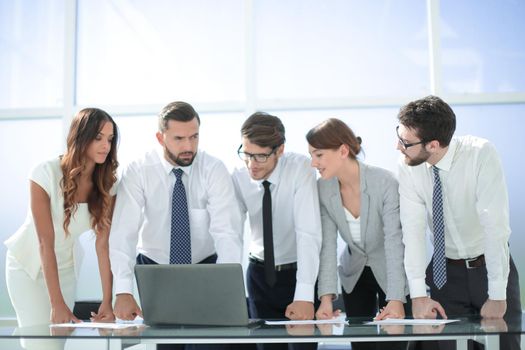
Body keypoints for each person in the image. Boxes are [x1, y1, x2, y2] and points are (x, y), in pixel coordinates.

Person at [109, 101, 242, 349]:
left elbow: (227, 232)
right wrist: (123, 291)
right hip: (156, 268)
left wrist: (225, 287)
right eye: (179, 138)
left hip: (205, 267)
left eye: (194, 137)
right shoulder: (139, 171)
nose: (188, 146)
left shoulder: (213, 169)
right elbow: (123, 233)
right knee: (168, 345)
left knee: (208, 345)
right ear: (160, 138)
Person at [396, 95, 521, 350]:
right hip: (445, 275)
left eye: (405, 142)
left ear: (432, 145)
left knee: (504, 346)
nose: (398, 147)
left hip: (490, 268)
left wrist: (497, 294)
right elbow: (413, 232)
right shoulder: (409, 165)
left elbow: (495, 226)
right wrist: (419, 295)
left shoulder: (480, 154)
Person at [5, 108, 118, 349]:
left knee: (55, 345)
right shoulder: (44, 172)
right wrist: (56, 303)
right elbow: (45, 242)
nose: (105, 145)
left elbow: (103, 245)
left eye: (110, 139)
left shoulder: (109, 183)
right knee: (38, 344)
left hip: (65, 268)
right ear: (81, 136)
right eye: (98, 137)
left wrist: (107, 301)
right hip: (27, 266)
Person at [307, 118, 409, 350]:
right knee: (361, 345)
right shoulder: (323, 188)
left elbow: (395, 242)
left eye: (319, 155)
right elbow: (328, 246)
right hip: (354, 274)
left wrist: (395, 298)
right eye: (311, 155)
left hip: (391, 272)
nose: (313, 163)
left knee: (394, 344)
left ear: (343, 150)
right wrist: (325, 298)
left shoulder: (384, 182)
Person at [232, 112, 322, 350]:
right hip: (259, 277)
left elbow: (308, 233)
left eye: (260, 157)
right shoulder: (238, 176)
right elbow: (230, 234)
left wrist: (303, 296)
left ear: (279, 150)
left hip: (298, 275)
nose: (252, 165)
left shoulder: (300, 168)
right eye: (247, 154)